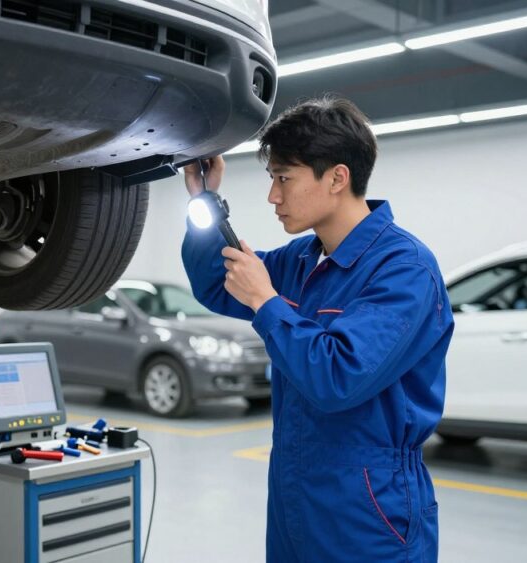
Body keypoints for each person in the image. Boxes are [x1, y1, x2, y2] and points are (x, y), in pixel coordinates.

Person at [182, 96, 454, 562]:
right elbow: (215, 279)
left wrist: (266, 301)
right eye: (272, 179)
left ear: (337, 178)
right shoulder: (301, 260)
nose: (273, 196)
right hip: (295, 491)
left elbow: (338, 377)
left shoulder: (404, 269)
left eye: (284, 179)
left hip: (368, 506)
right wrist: (204, 199)